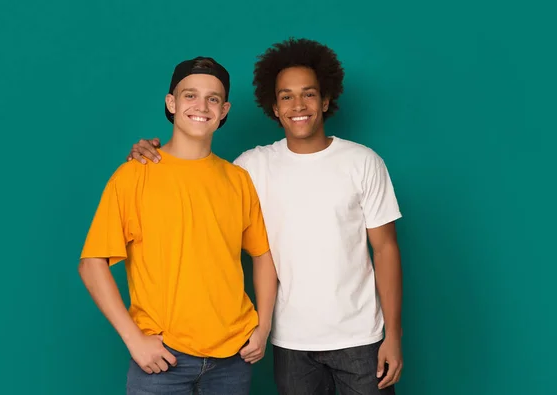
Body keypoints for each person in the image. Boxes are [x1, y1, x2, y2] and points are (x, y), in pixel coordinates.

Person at [127, 38, 404, 395]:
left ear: (326, 100)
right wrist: (149, 151)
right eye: (286, 96)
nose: (298, 105)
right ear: (274, 107)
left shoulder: (363, 162)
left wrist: (393, 336)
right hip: (290, 342)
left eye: (308, 94)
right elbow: (197, 171)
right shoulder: (251, 168)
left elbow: (385, 250)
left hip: (362, 337)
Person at [79, 56, 278, 395]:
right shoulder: (133, 176)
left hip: (233, 359)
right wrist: (134, 340)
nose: (202, 105)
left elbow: (262, 254)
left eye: (213, 98)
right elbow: (91, 264)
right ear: (171, 102)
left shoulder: (238, 180)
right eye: (190, 95)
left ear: (225, 109)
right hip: (162, 360)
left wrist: (263, 327)